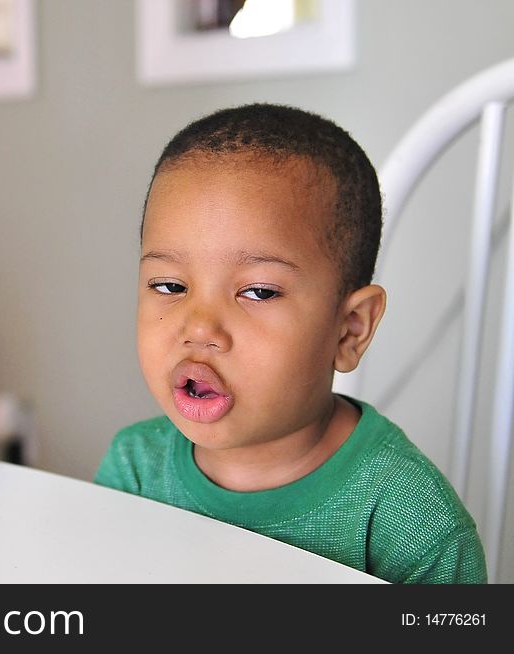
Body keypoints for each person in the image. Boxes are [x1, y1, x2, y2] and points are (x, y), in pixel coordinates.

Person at [94, 103, 486, 584]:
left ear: (349, 329)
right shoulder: (133, 470)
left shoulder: (412, 524)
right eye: (170, 286)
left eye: (258, 291)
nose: (198, 328)